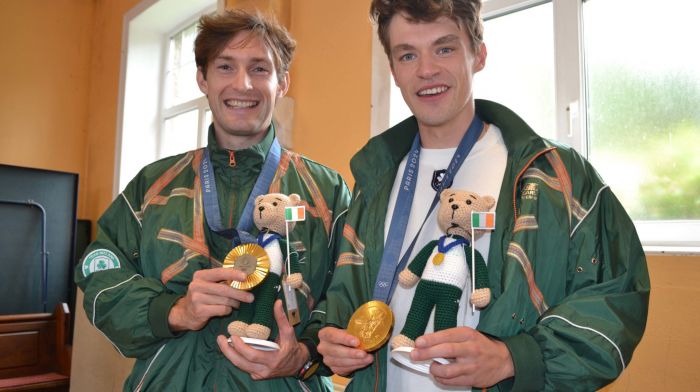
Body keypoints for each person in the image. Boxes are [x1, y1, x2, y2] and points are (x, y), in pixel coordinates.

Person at [314, 1, 650, 391]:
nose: (426, 70)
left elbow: (616, 297)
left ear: (479, 54)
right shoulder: (375, 177)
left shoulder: (554, 173)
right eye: (408, 55)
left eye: (445, 48)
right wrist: (335, 338)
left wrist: (514, 358)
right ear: (393, 70)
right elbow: (343, 294)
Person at [75, 9, 350, 391]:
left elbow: (350, 290)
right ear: (202, 78)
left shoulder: (327, 191)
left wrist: (304, 356)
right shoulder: (152, 186)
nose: (243, 85)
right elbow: (98, 272)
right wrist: (172, 311)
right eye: (225, 67)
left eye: (259, 69)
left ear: (282, 83)